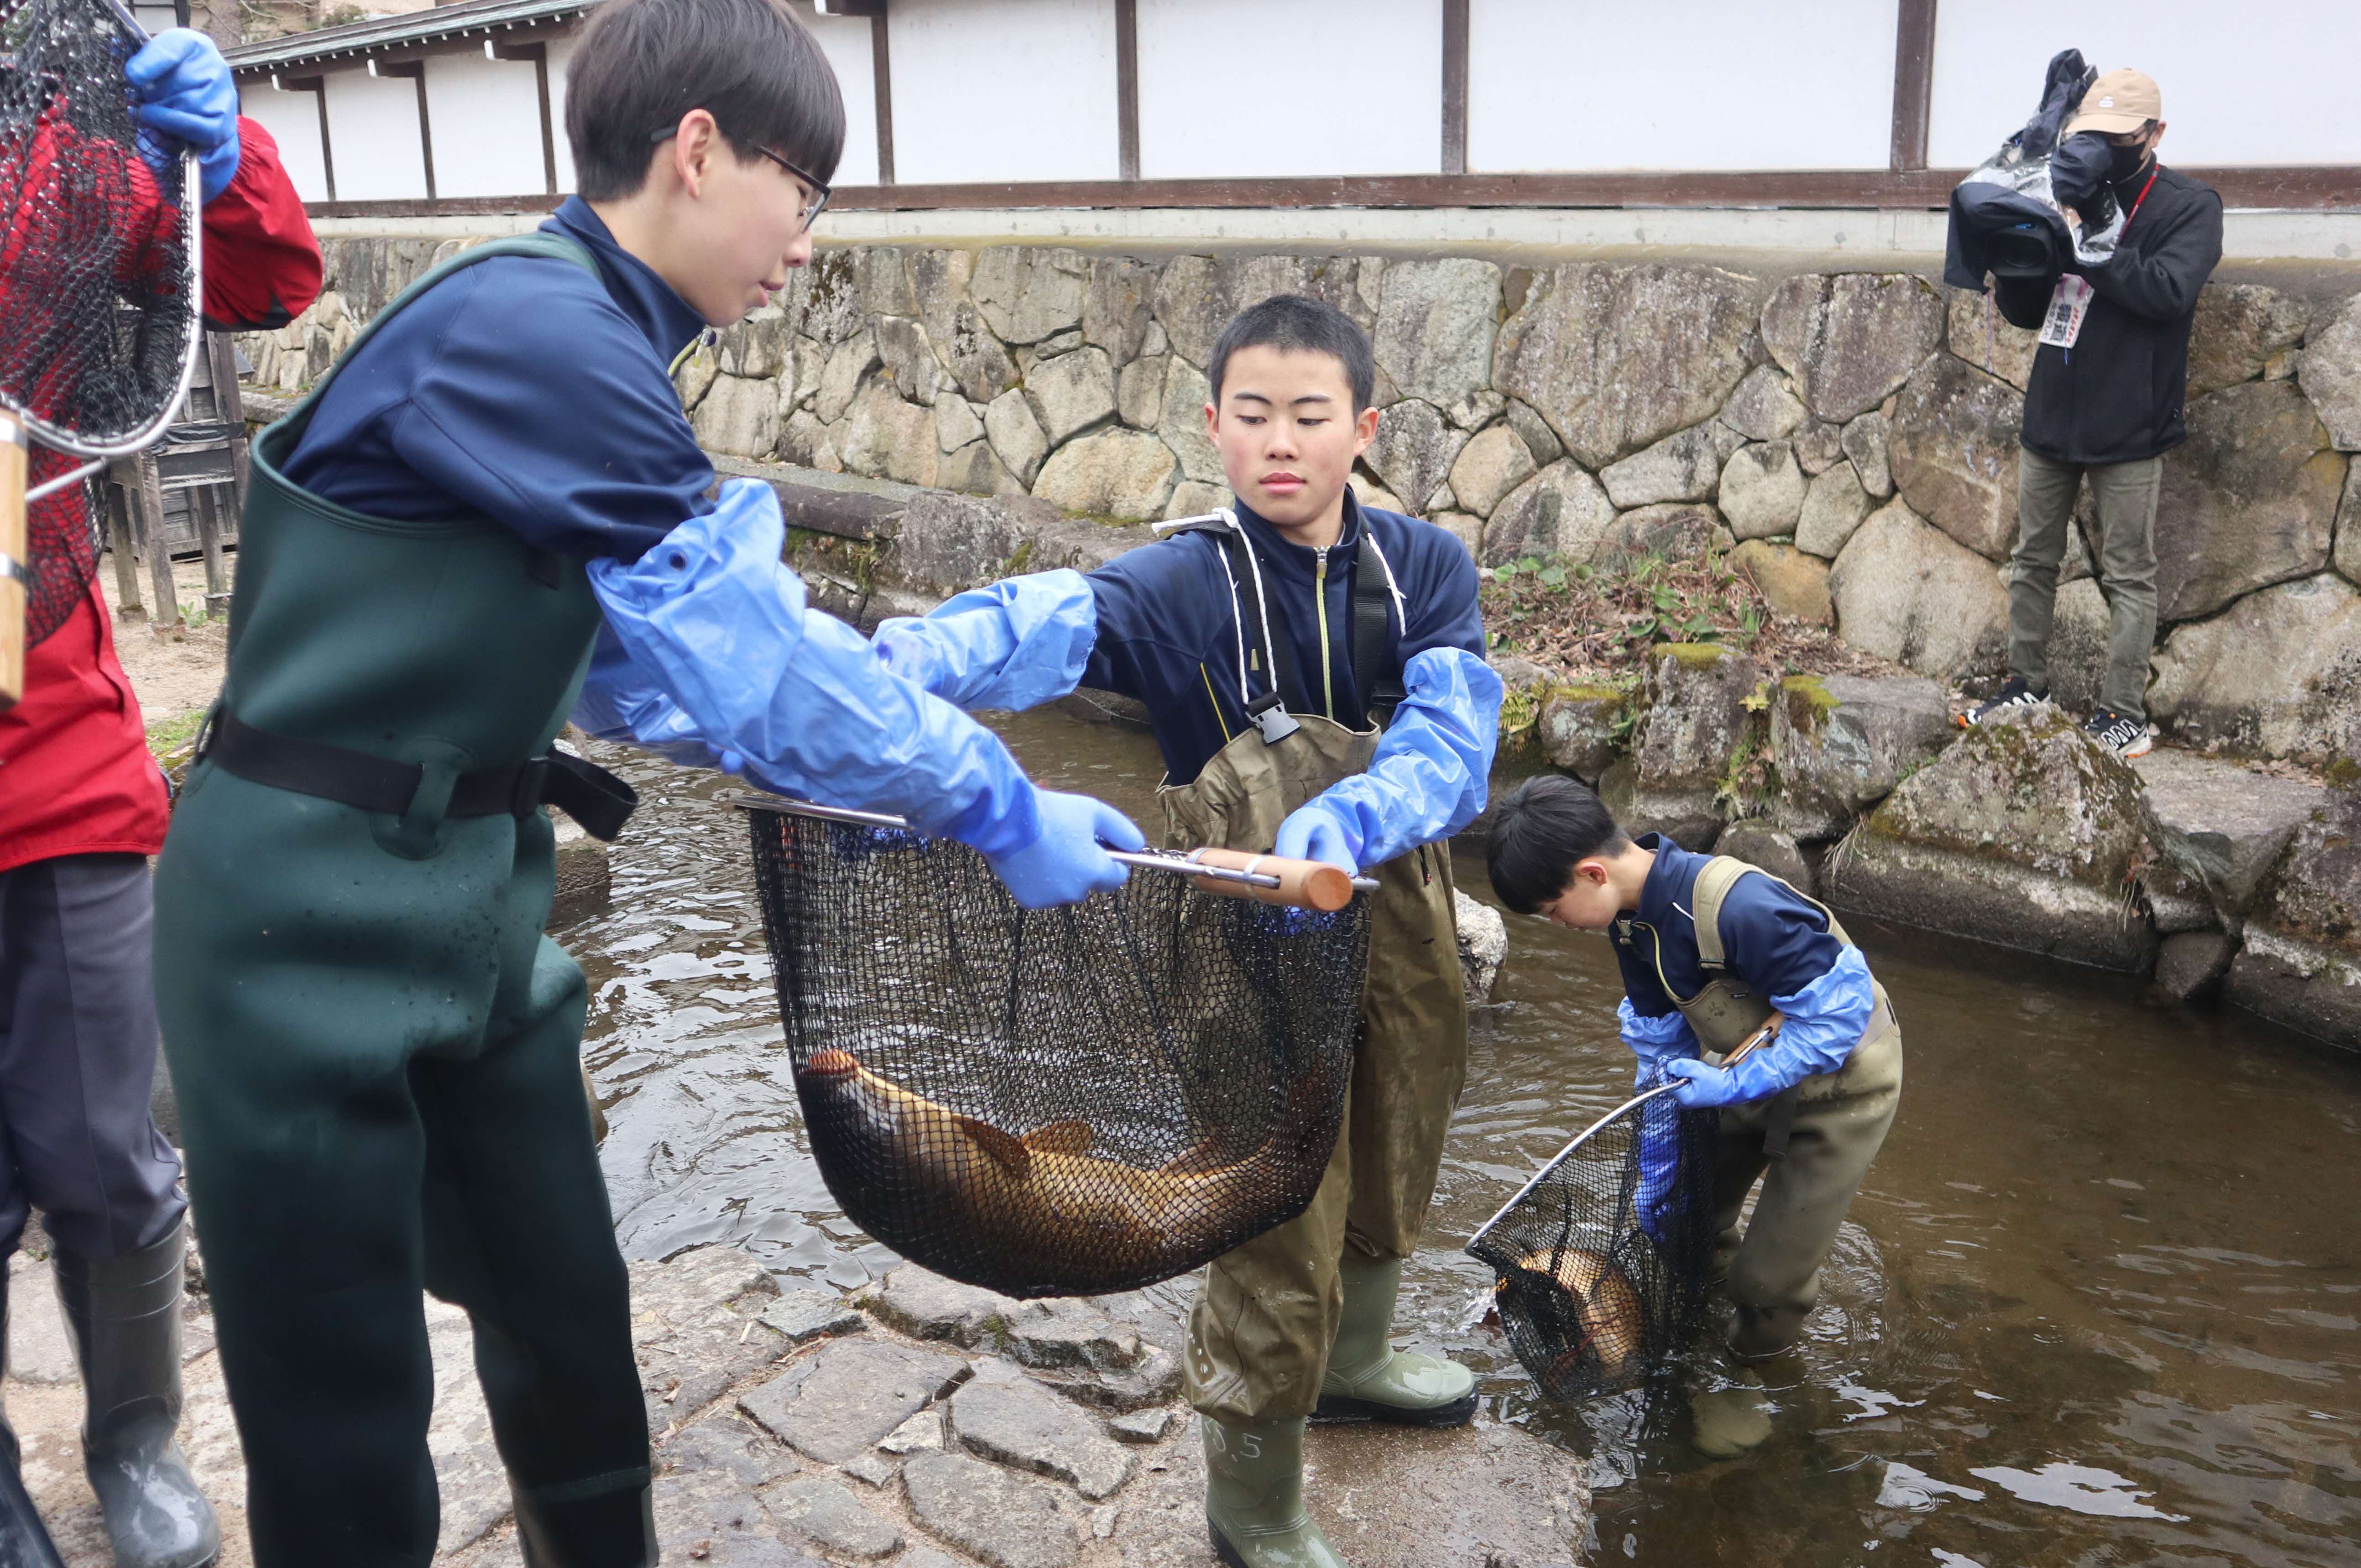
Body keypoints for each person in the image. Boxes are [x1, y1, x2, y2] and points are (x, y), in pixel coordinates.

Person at [148, 2, 1139, 1561]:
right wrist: (990, 799)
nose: (805, 243)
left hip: (470, 904)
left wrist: (919, 703)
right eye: (801, 191)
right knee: (337, 1398)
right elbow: (757, 668)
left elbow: (648, 682)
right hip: (292, 918)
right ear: (695, 152)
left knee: (567, 1315)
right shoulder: (538, 332)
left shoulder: (592, 342)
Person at [872, 293, 1501, 1567]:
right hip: (1237, 931)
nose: (1281, 442)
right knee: (1271, 1199)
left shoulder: (1421, 568)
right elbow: (1037, 621)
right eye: (1252, 415)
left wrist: (1356, 817)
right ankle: (1254, 1502)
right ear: (1212, 426)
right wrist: (901, 661)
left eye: (1309, 416)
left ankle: (1360, 1357)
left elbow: (1457, 735)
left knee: (1398, 1137)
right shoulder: (1180, 578)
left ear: (1361, 428)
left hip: (1400, 903)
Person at [0, 26, 320, 1568]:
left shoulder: (54, 164)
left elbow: (261, 279)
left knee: (103, 1147)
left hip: (46, 744)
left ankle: (136, 1444)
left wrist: (218, 149)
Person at [1484, 776, 1902, 1451]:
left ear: (1592, 872)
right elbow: (1658, 1044)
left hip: (1842, 1087)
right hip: (1737, 1074)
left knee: (1767, 1281)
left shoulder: (1739, 907)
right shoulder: (1630, 924)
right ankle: (1701, 1343)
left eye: (1553, 909)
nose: (1557, 925)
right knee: (1678, 1217)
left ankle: (1745, 1366)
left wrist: (1732, 1084)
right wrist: (1657, 1157)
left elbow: (1837, 1014)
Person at [1965, 67, 2222, 759]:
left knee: (2128, 568)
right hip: (2054, 402)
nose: (2101, 150)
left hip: (2131, 416)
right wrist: (2016, 250)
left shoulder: (2189, 205)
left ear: (2152, 134)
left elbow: (2167, 292)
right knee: (2031, 557)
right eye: (2089, 137)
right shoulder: (2066, 192)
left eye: (2116, 137)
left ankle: (2122, 713)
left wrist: (2096, 236)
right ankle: (2026, 684)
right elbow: (2028, 310)